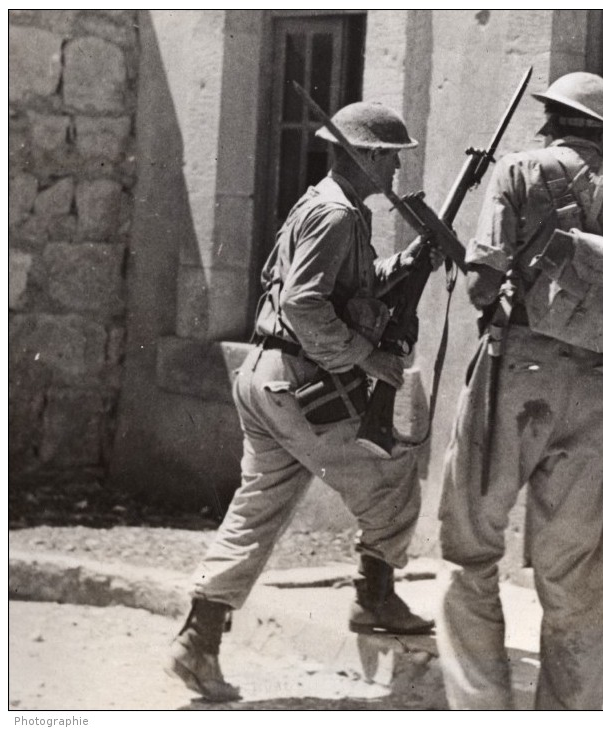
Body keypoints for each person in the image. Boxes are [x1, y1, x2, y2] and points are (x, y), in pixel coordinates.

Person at [166, 101, 439, 702]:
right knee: (393, 475)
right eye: (390, 157)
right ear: (365, 156)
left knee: (258, 508)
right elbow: (304, 305)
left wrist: (410, 264)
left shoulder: (324, 205)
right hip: (301, 382)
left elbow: (338, 288)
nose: (395, 170)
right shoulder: (339, 216)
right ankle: (375, 601)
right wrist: (366, 358)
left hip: (267, 377)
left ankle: (198, 638)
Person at [435, 72, 603, 710]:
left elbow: (482, 278)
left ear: (554, 119)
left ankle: (481, 711)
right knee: (579, 582)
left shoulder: (517, 172)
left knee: (470, 549)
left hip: (519, 375)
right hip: (600, 387)